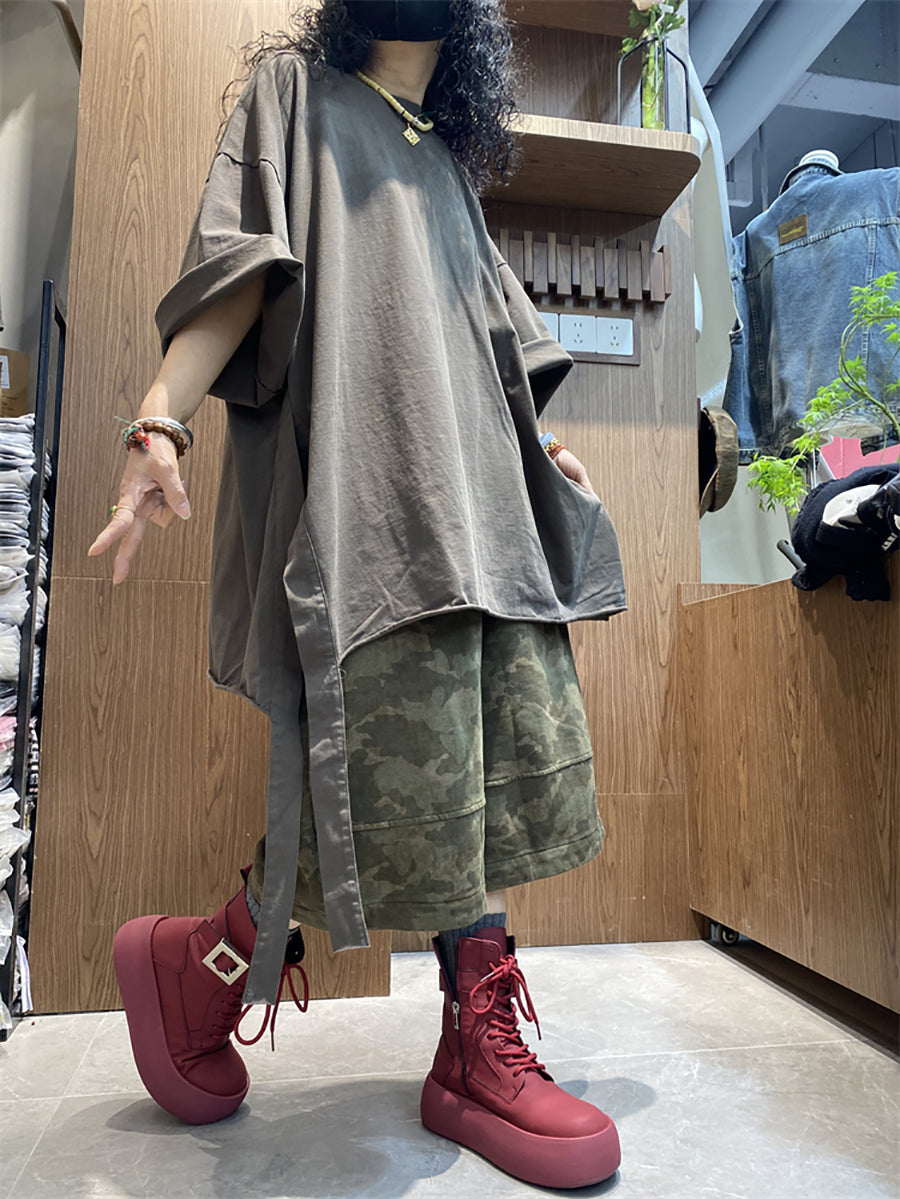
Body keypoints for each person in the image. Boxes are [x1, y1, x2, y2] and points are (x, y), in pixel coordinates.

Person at [88, 0, 626, 1187]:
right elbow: (241, 269)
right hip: (367, 507)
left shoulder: (449, 168)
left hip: (483, 514)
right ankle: (212, 964)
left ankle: (459, 1037)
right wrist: (158, 418)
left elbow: (489, 344)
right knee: (386, 779)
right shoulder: (297, 98)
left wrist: (543, 447)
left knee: (482, 779)